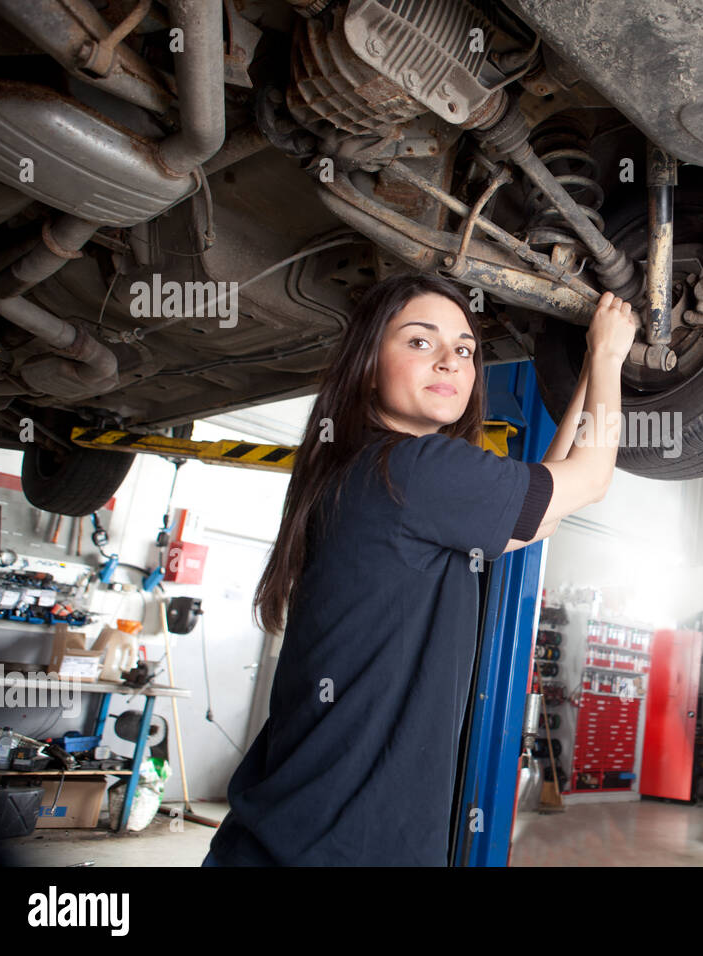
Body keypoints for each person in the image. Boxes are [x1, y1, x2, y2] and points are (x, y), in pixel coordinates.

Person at [201, 274, 635, 865]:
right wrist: (611, 355)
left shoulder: (370, 473)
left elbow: (543, 517)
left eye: (463, 350)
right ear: (368, 363)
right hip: (331, 849)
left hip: (299, 838)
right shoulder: (412, 469)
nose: (450, 362)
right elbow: (591, 479)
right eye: (419, 341)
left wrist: (588, 365)